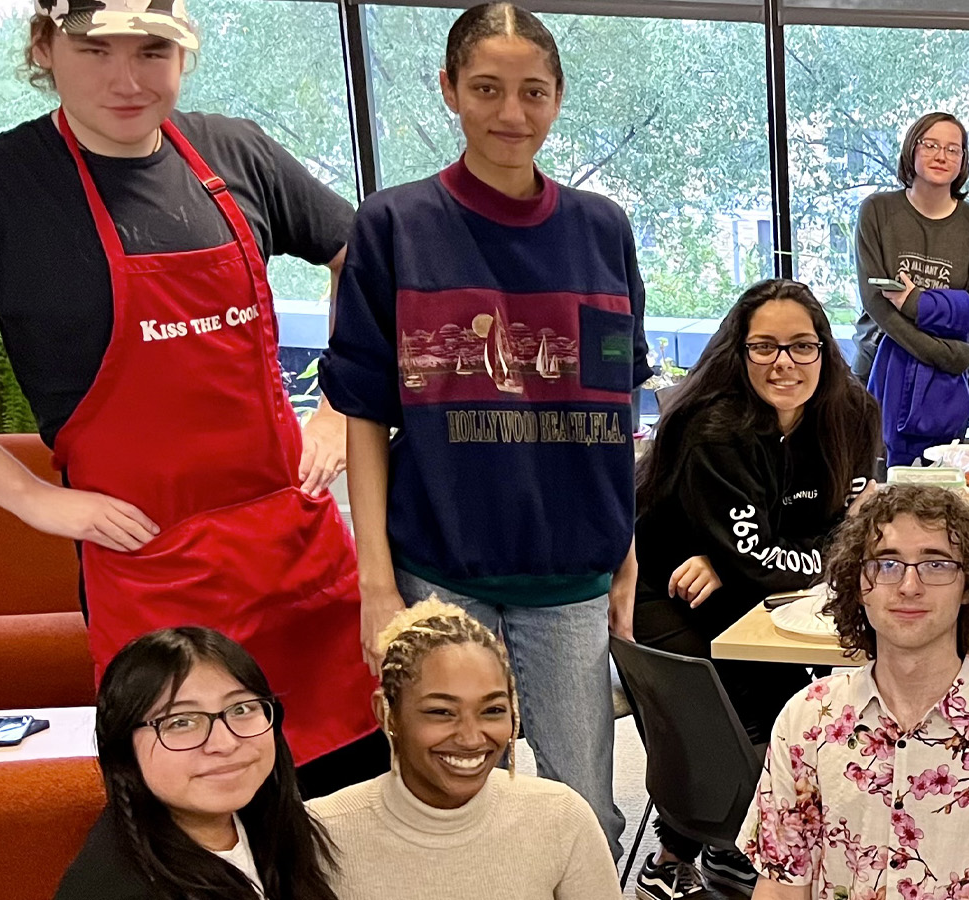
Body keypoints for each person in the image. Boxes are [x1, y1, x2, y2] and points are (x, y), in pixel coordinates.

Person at [0, 0, 378, 791]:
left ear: (183, 57)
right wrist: (29, 498)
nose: (126, 80)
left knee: (348, 794)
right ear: (45, 48)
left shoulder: (234, 150)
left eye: (152, 51)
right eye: (94, 51)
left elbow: (361, 254)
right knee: (200, 809)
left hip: (294, 553)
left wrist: (339, 405)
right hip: (149, 564)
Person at [322, 2, 642, 856]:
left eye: (533, 91)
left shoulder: (602, 230)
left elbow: (615, 408)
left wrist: (626, 550)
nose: (512, 113)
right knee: (456, 805)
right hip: (439, 566)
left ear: (559, 97)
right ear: (450, 92)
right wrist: (375, 583)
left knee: (585, 812)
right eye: (487, 89)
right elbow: (362, 412)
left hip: (571, 569)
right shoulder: (394, 227)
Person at [631, 279, 880, 899]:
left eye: (801, 346)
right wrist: (743, 558)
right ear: (739, 353)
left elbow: (840, 526)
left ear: (825, 349)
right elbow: (781, 554)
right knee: (730, 702)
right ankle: (695, 850)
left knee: (814, 699)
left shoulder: (852, 413)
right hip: (670, 587)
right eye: (764, 347)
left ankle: (745, 843)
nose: (784, 363)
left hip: (748, 582)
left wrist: (738, 558)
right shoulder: (715, 428)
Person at [736, 484, 969, 900]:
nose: (909, 586)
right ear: (858, 585)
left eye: (936, 564)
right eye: (887, 564)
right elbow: (781, 890)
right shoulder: (807, 721)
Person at [310, 601, 617, 899]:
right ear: (386, 713)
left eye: (493, 710)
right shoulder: (323, 834)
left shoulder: (561, 818)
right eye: (441, 712)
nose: (471, 738)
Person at [56, 627, 340, 900]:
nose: (225, 743)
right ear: (122, 746)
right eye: (181, 722)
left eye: (241, 708)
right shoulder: (118, 889)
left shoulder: (269, 821)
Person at [851, 112, 969, 466]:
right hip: (879, 367)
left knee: (939, 493)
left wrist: (915, 302)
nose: (941, 156)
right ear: (911, 150)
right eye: (930, 145)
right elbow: (877, 303)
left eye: (953, 149)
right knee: (874, 486)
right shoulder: (877, 212)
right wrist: (944, 350)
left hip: (951, 381)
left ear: (963, 161)